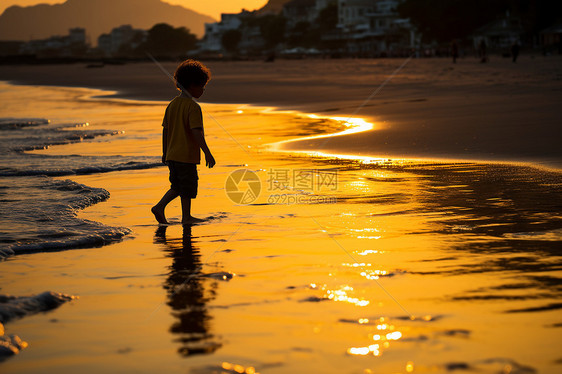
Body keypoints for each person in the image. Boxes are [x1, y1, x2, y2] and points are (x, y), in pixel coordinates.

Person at [151, 59, 216, 225]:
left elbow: (165, 130)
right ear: (192, 85)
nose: (203, 90)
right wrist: (207, 153)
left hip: (172, 155)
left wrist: (165, 152)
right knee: (187, 187)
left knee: (178, 187)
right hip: (185, 156)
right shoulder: (193, 107)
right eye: (202, 86)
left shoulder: (172, 105)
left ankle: (179, 213)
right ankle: (176, 213)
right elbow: (196, 132)